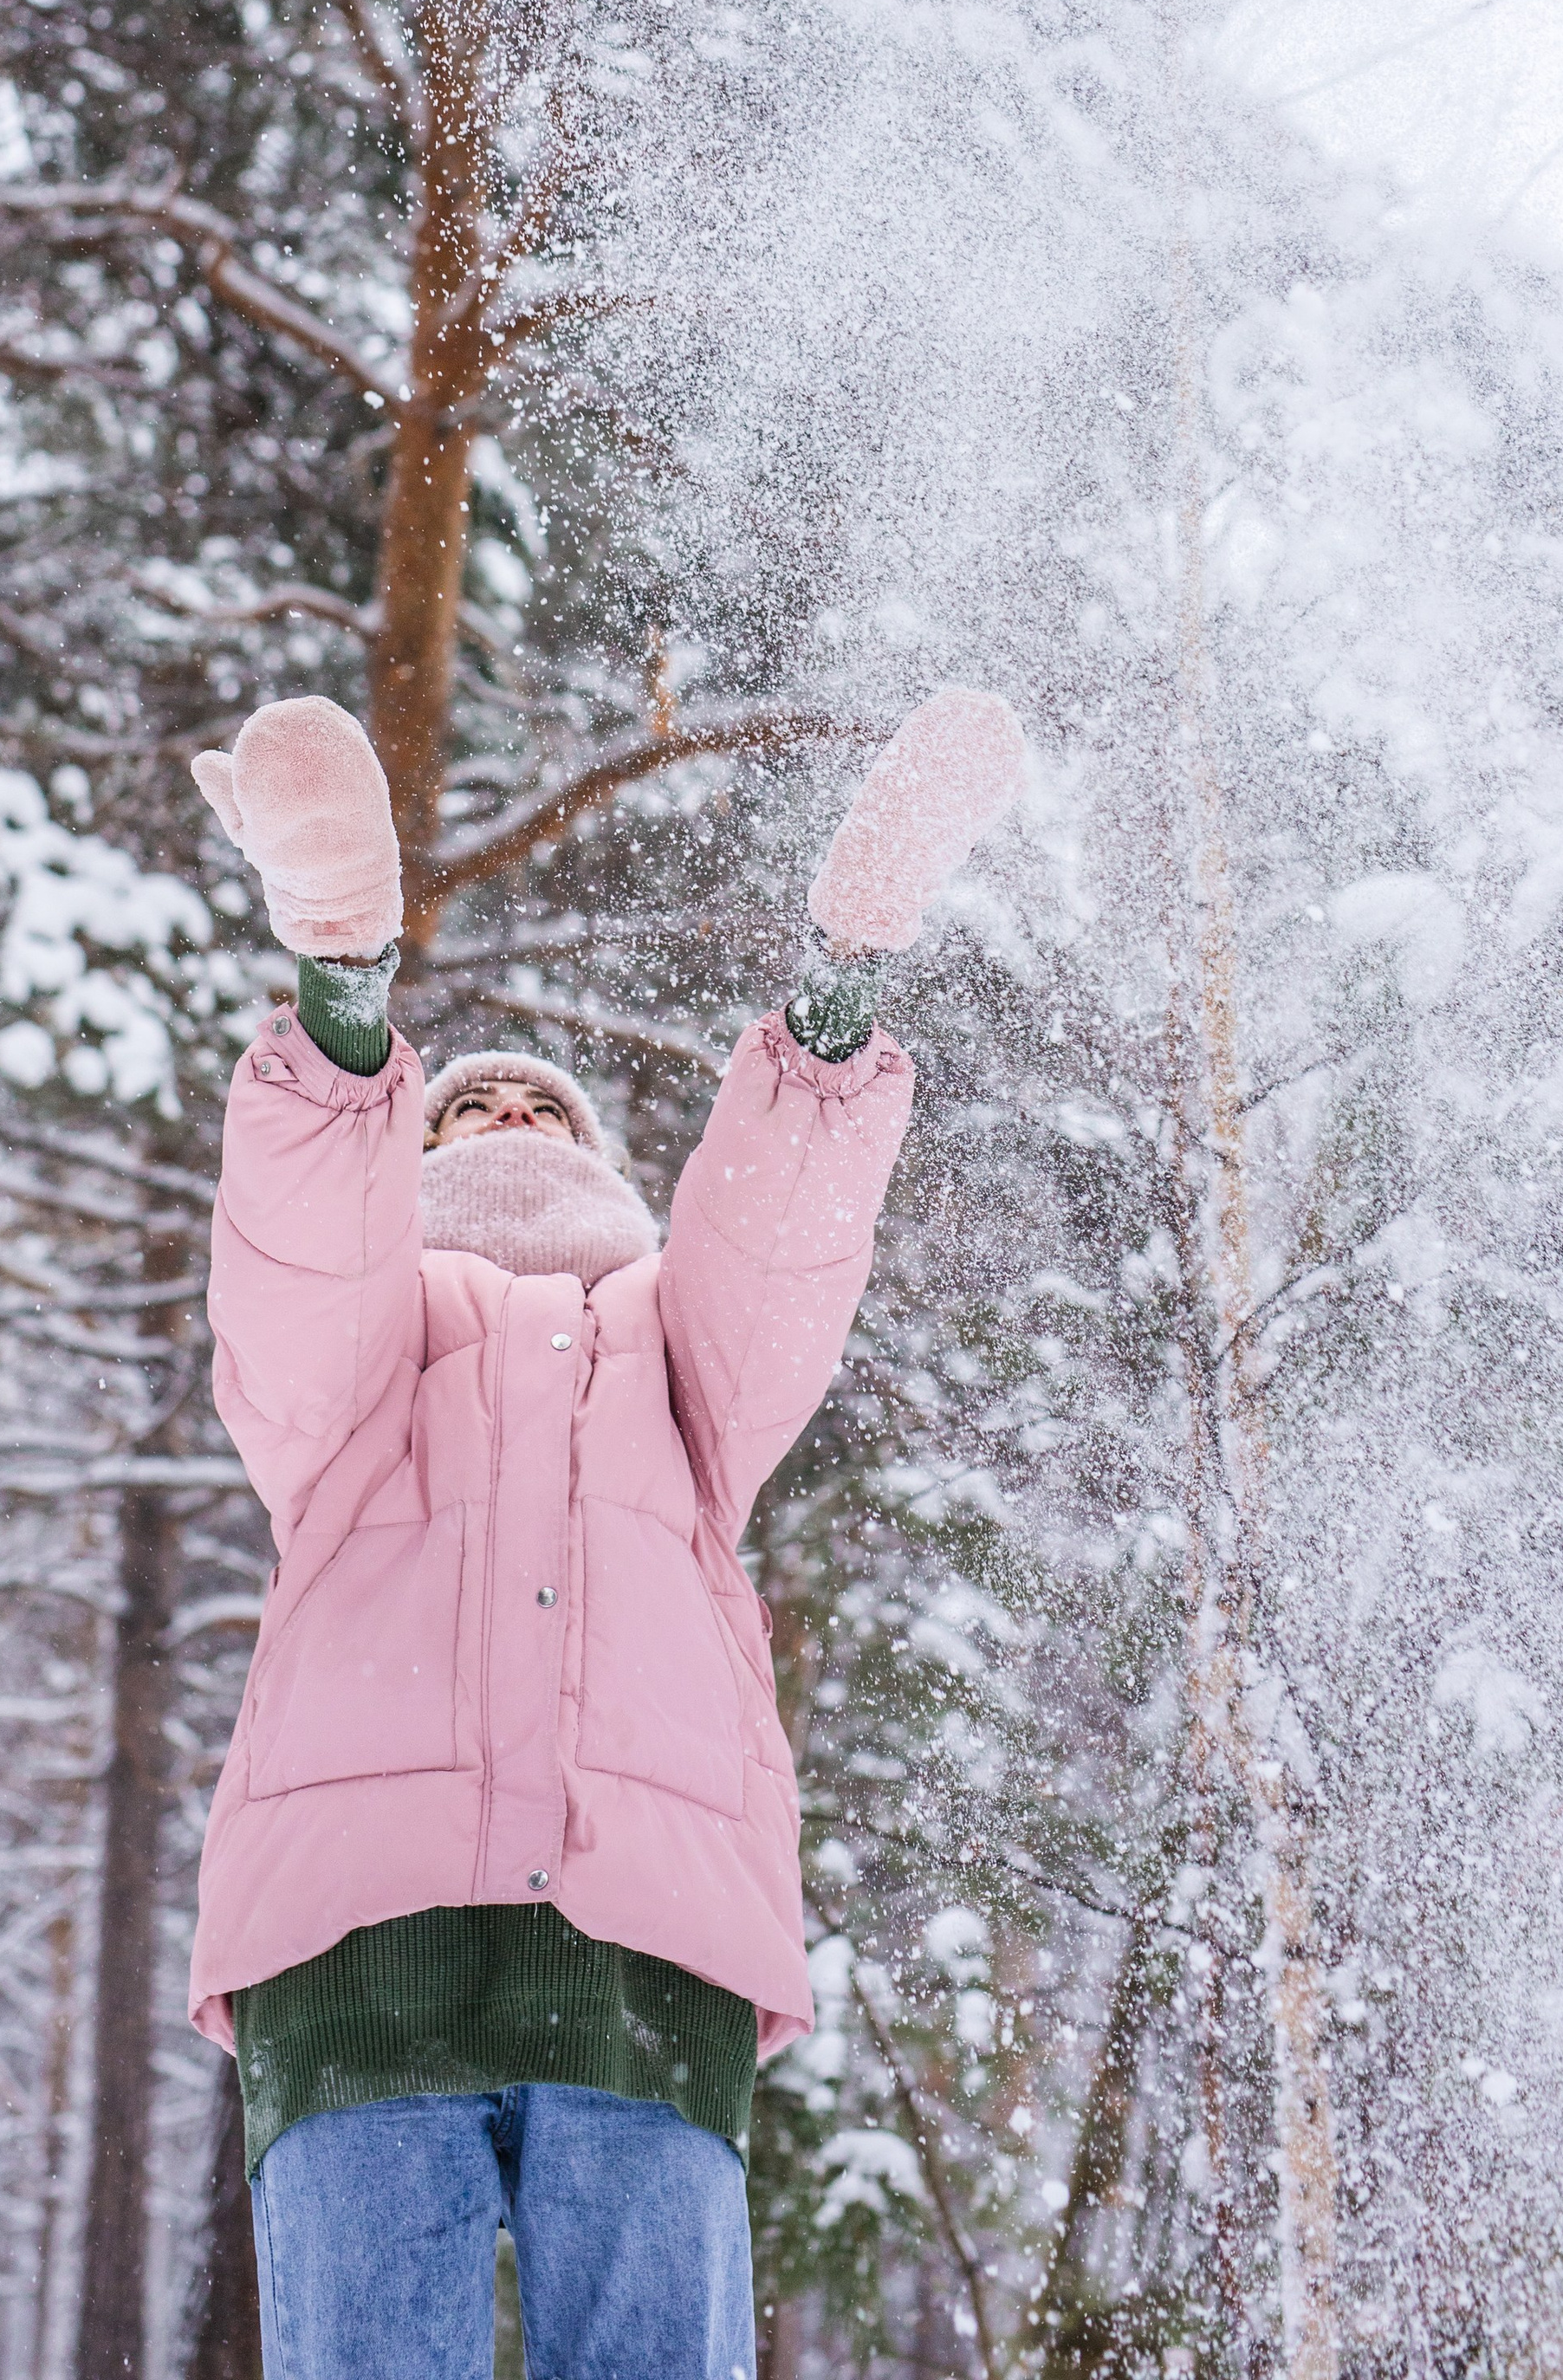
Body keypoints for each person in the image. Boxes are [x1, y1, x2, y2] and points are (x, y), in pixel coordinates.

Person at [184, 687, 1025, 2380]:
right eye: (463, 1110)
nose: (503, 1120)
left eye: (538, 1108)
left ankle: (839, 967)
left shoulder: (672, 1342)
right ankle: (340, 961)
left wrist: (836, 993)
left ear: (600, 1164)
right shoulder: (364, 1343)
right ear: (404, 1162)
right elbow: (292, 1268)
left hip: (645, 1956)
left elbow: (780, 1251)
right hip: (358, 1950)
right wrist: (345, 1013)